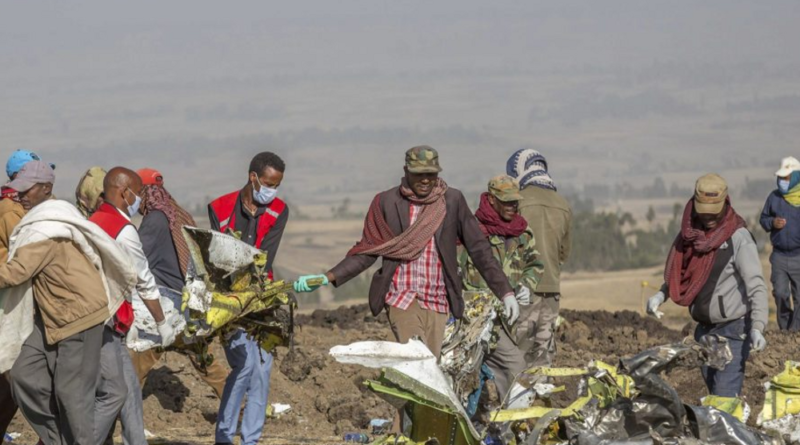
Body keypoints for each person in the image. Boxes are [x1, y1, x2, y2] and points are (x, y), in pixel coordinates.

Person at [298, 146, 516, 358]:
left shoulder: (452, 201)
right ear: (406, 172)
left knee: (430, 366)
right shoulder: (386, 202)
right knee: (415, 356)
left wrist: (505, 292)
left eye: (430, 174)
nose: (425, 180)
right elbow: (368, 250)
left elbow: (478, 248)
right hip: (401, 297)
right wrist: (327, 277)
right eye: (419, 174)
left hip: (438, 299)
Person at [0, 161, 136, 445]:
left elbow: (15, 272)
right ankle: (59, 439)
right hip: (52, 316)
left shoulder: (47, 229)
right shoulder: (41, 221)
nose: (21, 195)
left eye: (28, 189)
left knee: (73, 396)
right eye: (19, 189)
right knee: (24, 374)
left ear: (46, 189)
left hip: (78, 317)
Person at [647, 174, 768, 397]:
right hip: (703, 332)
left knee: (723, 401)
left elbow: (756, 287)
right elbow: (678, 274)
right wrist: (660, 294)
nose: (709, 218)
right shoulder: (690, 236)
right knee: (714, 396)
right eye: (704, 212)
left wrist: (758, 327)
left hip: (732, 331)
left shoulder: (738, 238)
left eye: (714, 212)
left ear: (725, 204)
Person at [89, 167, 177, 445]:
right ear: (125, 193)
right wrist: (163, 323)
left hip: (102, 319)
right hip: (107, 323)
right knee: (115, 393)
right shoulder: (124, 230)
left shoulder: (94, 220)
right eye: (138, 193)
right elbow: (144, 280)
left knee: (129, 394)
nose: (140, 199)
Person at [207, 152, 289, 445]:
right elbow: (220, 257)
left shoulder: (279, 210)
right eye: (268, 183)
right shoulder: (219, 207)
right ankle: (225, 436)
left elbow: (265, 258)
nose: (272, 191)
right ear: (253, 177)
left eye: (277, 185)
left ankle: (251, 439)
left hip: (262, 297)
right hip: (229, 298)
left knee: (263, 370)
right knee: (244, 366)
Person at [131, 167, 229, 398]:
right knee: (205, 360)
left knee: (139, 362)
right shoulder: (179, 215)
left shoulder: (154, 219)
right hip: (187, 304)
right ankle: (238, 407)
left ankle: (121, 416)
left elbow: (136, 261)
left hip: (165, 306)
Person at [458, 175, 544, 406]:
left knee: (514, 370)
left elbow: (535, 265)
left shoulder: (523, 233)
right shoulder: (471, 232)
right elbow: (455, 270)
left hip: (509, 319)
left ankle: (509, 425)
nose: (512, 206)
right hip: (474, 320)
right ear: (491, 200)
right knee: (467, 374)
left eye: (515, 201)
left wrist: (527, 284)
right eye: (506, 201)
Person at [0, 150, 51, 441]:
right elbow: (22, 250)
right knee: (16, 375)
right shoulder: (10, 209)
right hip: (11, 296)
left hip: (15, 293)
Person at [506, 149, 571, 369]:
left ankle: (515, 400)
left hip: (522, 288)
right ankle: (538, 398)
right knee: (543, 353)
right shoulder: (563, 204)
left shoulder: (517, 202)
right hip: (552, 289)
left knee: (518, 350)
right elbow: (564, 253)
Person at [760, 156, 800, 331]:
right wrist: (772, 223)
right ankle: (785, 329)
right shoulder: (774, 197)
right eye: (781, 177)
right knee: (781, 294)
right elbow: (763, 219)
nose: (782, 181)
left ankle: (796, 332)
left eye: (786, 177)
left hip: (799, 255)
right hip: (779, 256)